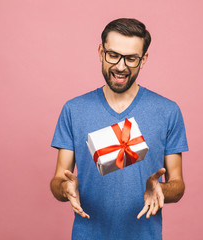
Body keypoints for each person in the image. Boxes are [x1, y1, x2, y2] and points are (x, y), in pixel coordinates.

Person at [50, 18, 189, 240]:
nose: (121, 66)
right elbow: (58, 179)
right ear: (100, 52)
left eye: (131, 58)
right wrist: (65, 187)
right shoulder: (74, 110)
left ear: (143, 60)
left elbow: (178, 184)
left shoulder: (167, 111)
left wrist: (162, 189)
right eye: (113, 55)